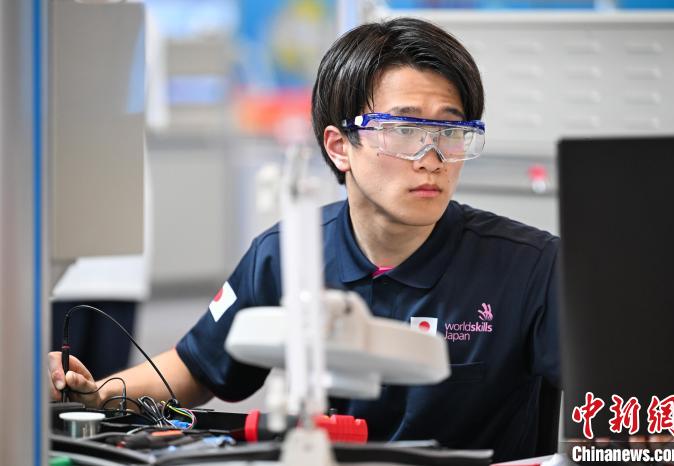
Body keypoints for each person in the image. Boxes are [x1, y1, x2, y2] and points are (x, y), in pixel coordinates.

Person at [48, 17, 560, 462]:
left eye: (450, 131)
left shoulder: (532, 268)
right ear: (339, 147)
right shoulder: (287, 253)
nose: (432, 157)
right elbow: (196, 367)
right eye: (403, 130)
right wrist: (95, 394)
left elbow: (603, 402)